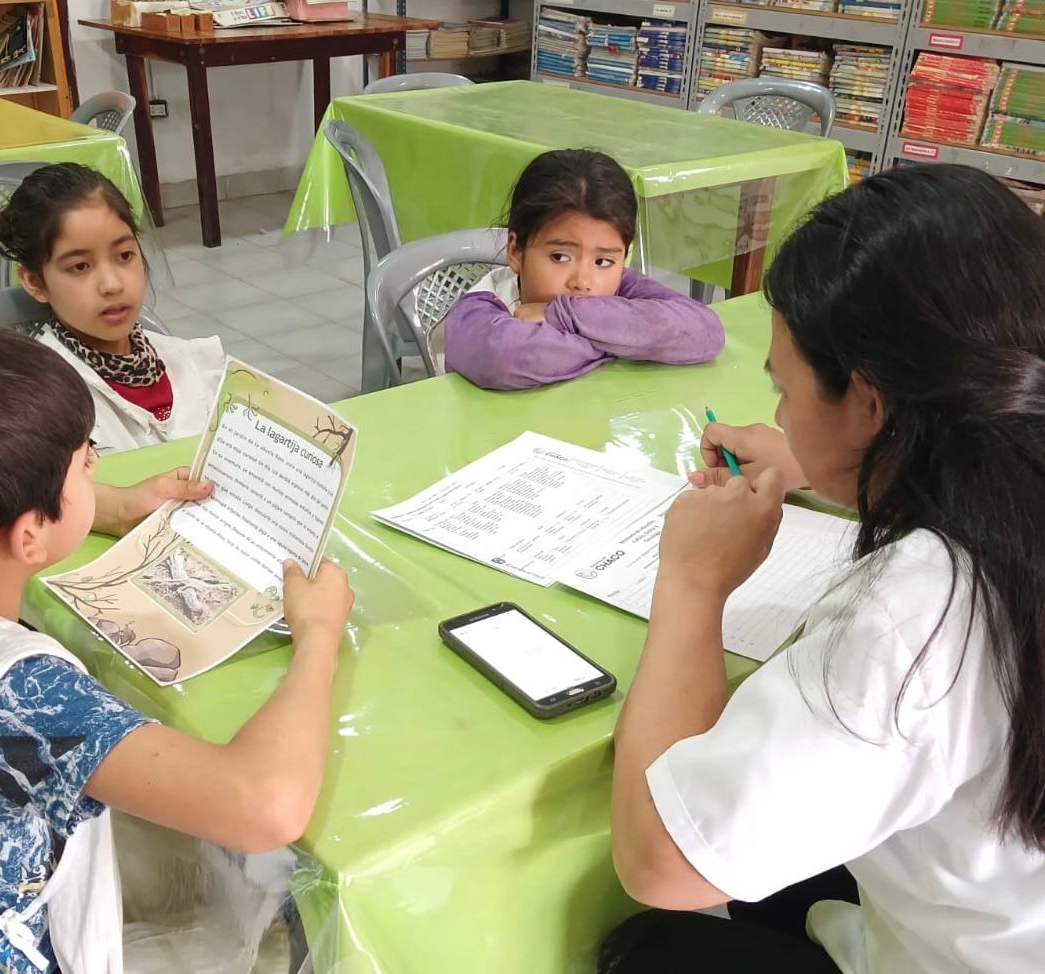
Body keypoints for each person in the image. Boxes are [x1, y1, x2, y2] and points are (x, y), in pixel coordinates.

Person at [603, 164, 1045, 974]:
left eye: (787, 389)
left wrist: (693, 585)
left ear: (871, 405)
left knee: (647, 946)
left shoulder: (916, 617)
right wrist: (831, 462)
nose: (777, 413)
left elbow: (660, 864)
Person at [0, 322, 353, 973]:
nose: (96, 467)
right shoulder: (20, 694)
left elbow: (20, 520)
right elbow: (265, 807)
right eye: (88, 461)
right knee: (276, 917)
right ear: (29, 534)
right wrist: (317, 637)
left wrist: (100, 507)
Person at [437, 149, 724, 391]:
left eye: (603, 261)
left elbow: (705, 332)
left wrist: (562, 315)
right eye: (560, 256)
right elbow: (504, 357)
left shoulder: (619, 283)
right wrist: (628, 337)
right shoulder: (480, 308)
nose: (583, 282)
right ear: (515, 250)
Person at [0, 162, 226, 455]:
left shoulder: (193, 362)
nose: (112, 284)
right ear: (35, 282)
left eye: (125, 255)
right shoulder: (40, 403)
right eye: (80, 266)